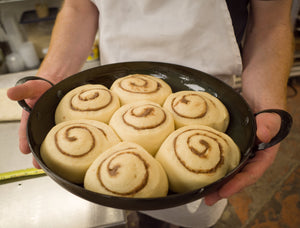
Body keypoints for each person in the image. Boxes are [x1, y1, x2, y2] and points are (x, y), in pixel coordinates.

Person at [7, 0, 294, 227]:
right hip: (116, 81)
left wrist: (263, 98)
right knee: (131, 203)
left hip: (207, 91)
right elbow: (79, 6)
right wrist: (53, 76)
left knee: (203, 205)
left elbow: (272, 23)